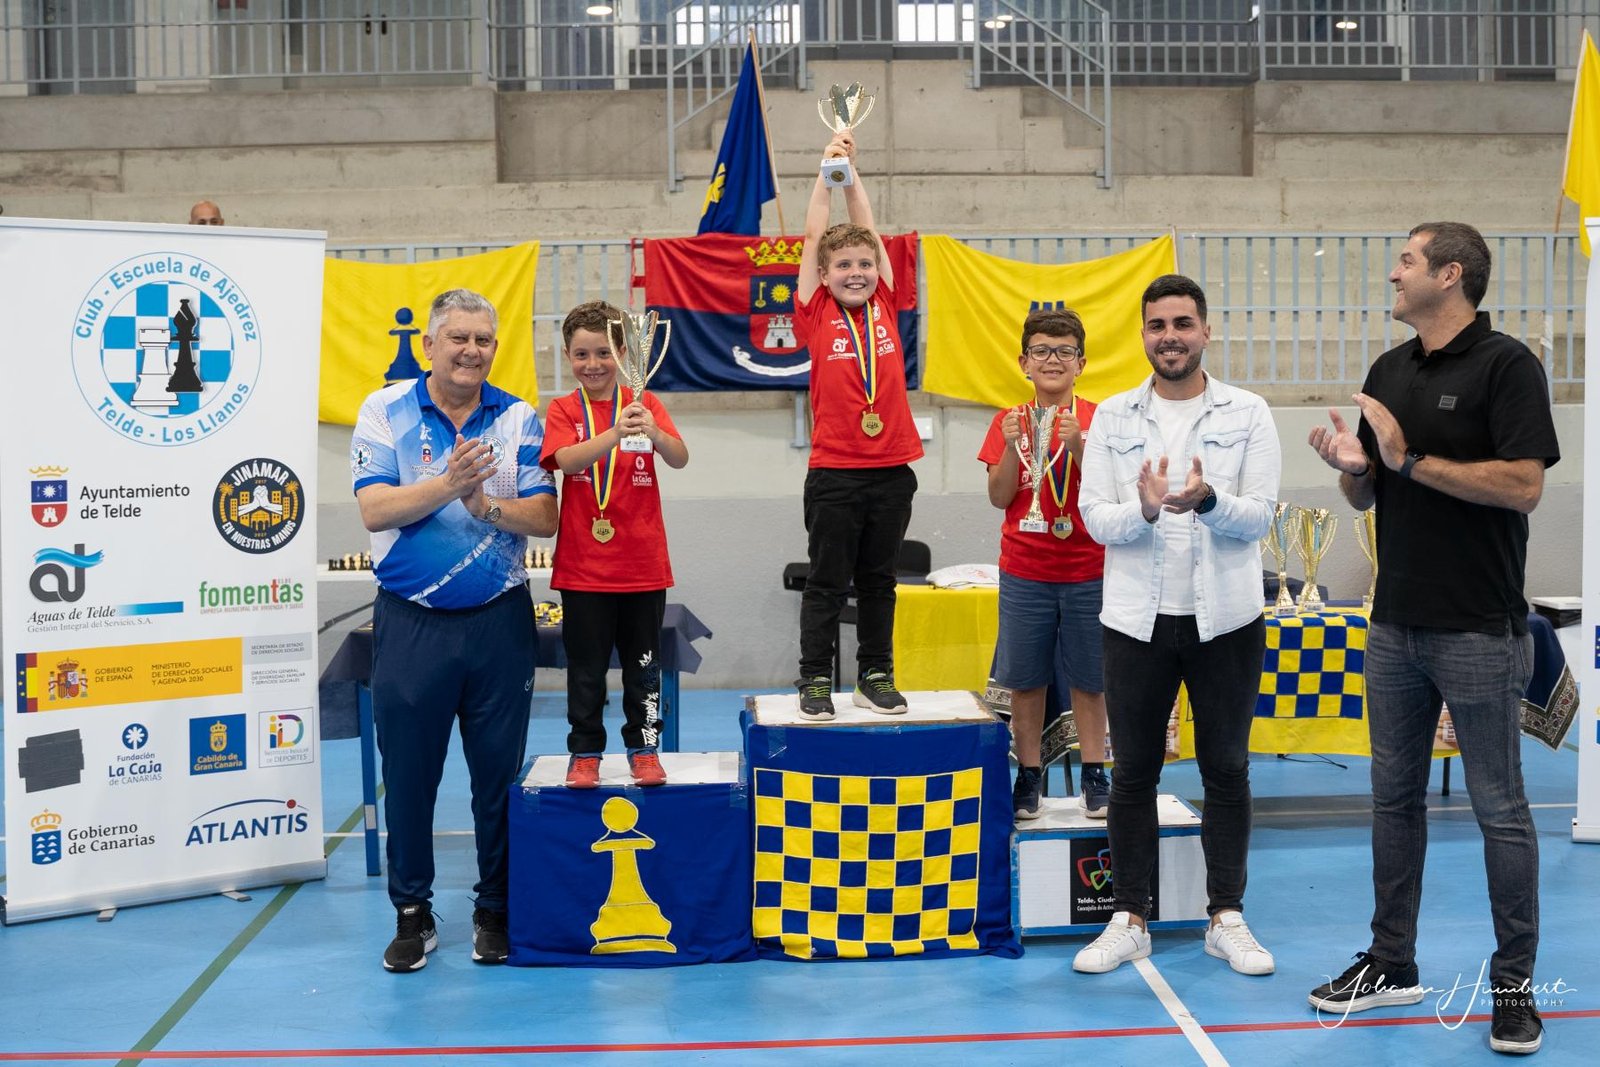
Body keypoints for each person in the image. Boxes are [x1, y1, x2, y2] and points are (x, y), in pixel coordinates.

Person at [1305, 222, 1557, 1055]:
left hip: (1479, 628)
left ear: (1450, 274)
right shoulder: (1389, 370)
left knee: (1500, 811)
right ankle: (1391, 960)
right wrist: (1357, 466)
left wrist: (1408, 459)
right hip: (1394, 626)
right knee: (1392, 800)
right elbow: (1368, 494)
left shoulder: (1508, 366)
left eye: (1407, 260)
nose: (1393, 272)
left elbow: (1523, 485)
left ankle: (1514, 989)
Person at [1076, 274, 1281, 976]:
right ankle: (1128, 917)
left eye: (1183, 323)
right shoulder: (1112, 417)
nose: (1170, 336)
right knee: (1133, 772)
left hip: (1226, 621)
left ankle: (1226, 916)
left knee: (1227, 768)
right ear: (1142, 334)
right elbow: (1094, 519)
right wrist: (1144, 509)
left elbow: (1261, 516)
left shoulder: (1249, 412)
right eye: (1158, 325)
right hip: (1136, 622)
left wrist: (1209, 500)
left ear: (1206, 331)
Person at [350, 288, 558, 972]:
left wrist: (483, 503)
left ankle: (494, 907)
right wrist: (446, 485)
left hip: (499, 621)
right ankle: (412, 913)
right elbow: (375, 510)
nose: (471, 350)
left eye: (483, 340)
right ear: (430, 344)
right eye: (459, 338)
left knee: (497, 776)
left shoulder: (519, 416)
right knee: (409, 777)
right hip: (412, 620)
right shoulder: (384, 410)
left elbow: (544, 517)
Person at [792, 130, 923, 720]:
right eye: (843, 265)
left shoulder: (886, 303)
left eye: (865, 263)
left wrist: (853, 173)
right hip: (835, 473)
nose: (856, 271)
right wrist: (827, 172)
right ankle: (816, 680)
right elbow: (815, 233)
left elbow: (865, 225)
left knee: (879, 581)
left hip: (892, 471)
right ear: (823, 275)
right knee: (826, 582)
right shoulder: (815, 310)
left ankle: (875, 675)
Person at [541, 300, 689, 789]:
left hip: (642, 566)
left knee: (644, 667)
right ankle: (585, 752)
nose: (593, 364)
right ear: (568, 356)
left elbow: (680, 458)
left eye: (604, 353)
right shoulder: (564, 409)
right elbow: (565, 460)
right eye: (581, 354)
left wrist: (653, 431)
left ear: (623, 354)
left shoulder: (644, 404)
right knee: (585, 670)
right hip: (583, 569)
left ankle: (644, 749)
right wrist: (614, 432)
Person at [977, 306, 1110, 821]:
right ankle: (1028, 775)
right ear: (1024, 362)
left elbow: (1113, 493)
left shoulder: (1101, 419)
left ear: (1081, 363)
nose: (1052, 360)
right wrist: (1012, 447)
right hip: (1025, 570)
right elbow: (998, 496)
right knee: (1025, 679)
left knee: (1091, 678)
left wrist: (1078, 447)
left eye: (1064, 351)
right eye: (1041, 351)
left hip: (1090, 568)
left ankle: (1095, 773)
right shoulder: (1006, 420)